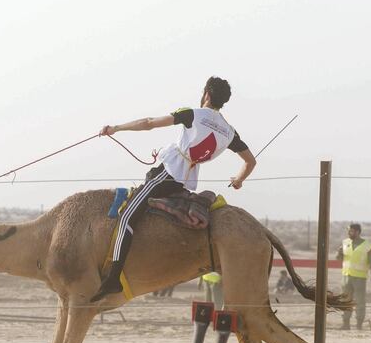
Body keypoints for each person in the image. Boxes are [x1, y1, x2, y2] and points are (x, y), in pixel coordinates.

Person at [91, 76, 256, 302]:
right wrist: (238, 180)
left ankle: (113, 278)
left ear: (206, 94)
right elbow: (250, 162)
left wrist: (116, 128)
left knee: (126, 216)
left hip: (167, 175)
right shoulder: (229, 132)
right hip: (185, 180)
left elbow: (149, 122)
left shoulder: (193, 114)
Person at [336, 223, 371, 330]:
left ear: (358, 232)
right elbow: (339, 258)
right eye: (349, 231)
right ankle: (346, 323)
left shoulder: (367, 246)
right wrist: (339, 253)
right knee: (345, 301)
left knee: (359, 301)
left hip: (359, 278)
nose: (349, 233)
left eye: (351, 231)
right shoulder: (345, 243)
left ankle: (359, 324)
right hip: (346, 277)